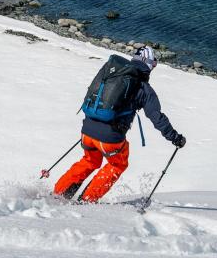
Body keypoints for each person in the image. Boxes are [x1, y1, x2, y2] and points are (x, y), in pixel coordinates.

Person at [54, 45, 186, 203]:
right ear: (150, 65)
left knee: (90, 161)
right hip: (109, 137)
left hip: (87, 130)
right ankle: (87, 200)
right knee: (117, 164)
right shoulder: (143, 88)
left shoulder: (113, 74)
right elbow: (156, 116)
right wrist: (174, 137)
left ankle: (58, 194)